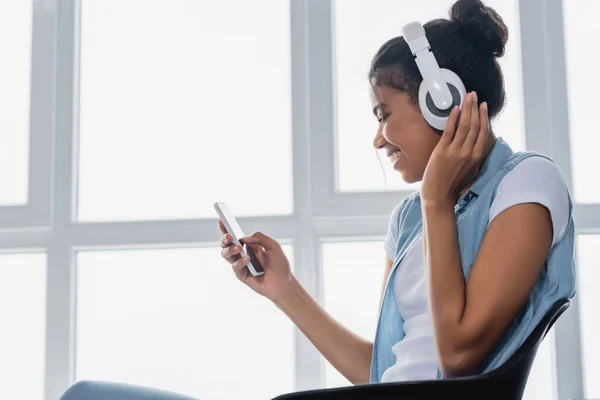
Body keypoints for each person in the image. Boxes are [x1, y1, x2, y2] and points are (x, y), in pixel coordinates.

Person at [60, 0, 576, 398]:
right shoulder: (409, 219)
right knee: (88, 396)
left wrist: (437, 202)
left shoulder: (526, 184)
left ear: (440, 100)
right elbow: (383, 371)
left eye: (383, 113)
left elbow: (461, 356)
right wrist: (286, 291)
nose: (377, 139)